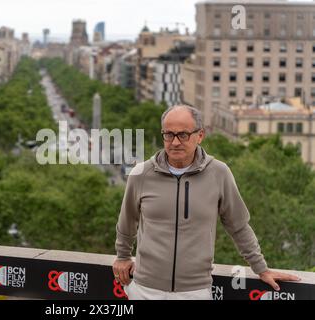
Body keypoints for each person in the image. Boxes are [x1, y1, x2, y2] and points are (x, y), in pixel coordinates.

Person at [113, 105, 300, 300]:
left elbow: (238, 226)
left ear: (200, 135)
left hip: (195, 292)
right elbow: (127, 221)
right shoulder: (141, 174)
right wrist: (123, 256)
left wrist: (261, 268)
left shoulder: (219, 173)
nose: (175, 142)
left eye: (183, 135)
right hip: (145, 289)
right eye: (168, 134)